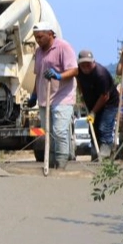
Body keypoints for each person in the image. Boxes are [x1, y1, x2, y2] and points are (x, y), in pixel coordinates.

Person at [28, 22, 76, 169]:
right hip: (45, 99)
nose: (38, 40)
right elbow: (38, 76)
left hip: (63, 97)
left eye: (40, 37)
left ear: (50, 34)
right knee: (49, 134)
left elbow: (74, 70)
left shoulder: (63, 47)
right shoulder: (38, 52)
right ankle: (52, 163)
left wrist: (58, 76)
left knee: (59, 132)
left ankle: (61, 164)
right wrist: (34, 95)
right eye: (36, 37)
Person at [69, 49, 119, 159]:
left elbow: (105, 96)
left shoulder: (101, 74)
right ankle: (95, 152)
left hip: (108, 103)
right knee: (93, 128)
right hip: (92, 102)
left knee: (104, 127)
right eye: (83, 65)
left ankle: (106, 152)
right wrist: (82, 95)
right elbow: (79, 82)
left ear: (93, 62)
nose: (86, 67)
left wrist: (93, 112)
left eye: (88, 64)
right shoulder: (79, 72)